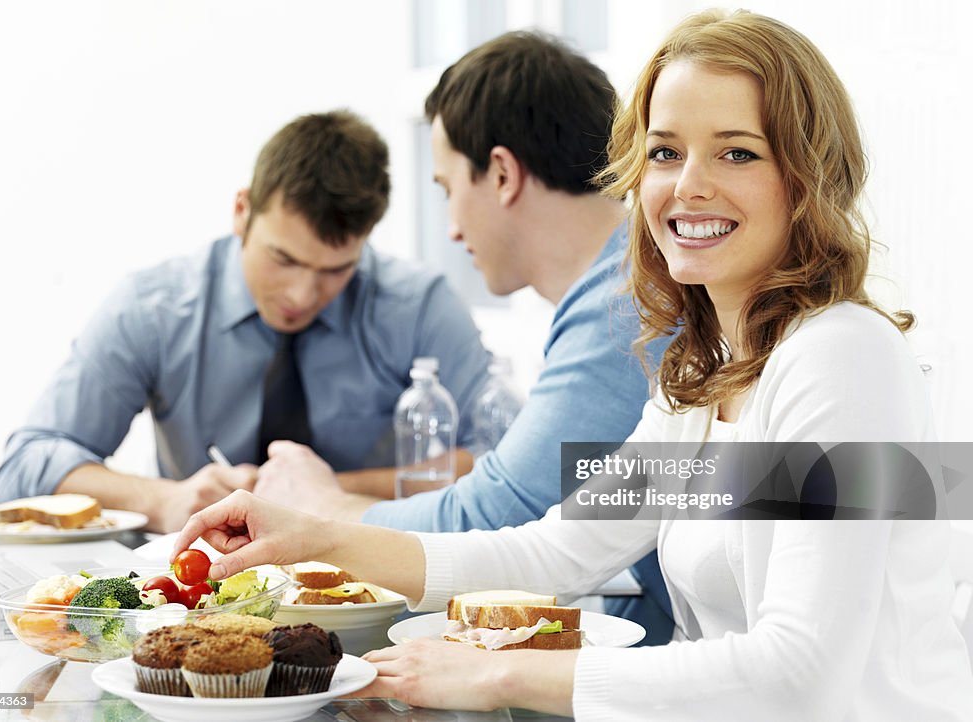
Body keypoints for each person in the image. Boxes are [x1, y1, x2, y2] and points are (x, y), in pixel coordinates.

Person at [171, 9, 973, 720]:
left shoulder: (842, 357)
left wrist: (499, 676)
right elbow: (549, 551)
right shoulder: (700, 377)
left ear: (807, 176)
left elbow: (801, 676)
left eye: (736, 153)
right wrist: (313, 538)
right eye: (665, 152)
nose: (687, 187)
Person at [249, 32, 673, 644]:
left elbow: (500, 516)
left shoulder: (625, 306)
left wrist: (324, 507)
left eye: (448, 189)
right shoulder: (620, 291)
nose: (450, 229)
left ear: (501, 174)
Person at [0, 110, 492, 533]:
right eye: (284, 258)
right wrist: (163, 500)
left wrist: (324, 491)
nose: (302, 295)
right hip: (194, 595)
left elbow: (497, 459)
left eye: (335, 270)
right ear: (241, 211)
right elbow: (24, 465)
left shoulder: (418, 306)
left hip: (376, 591)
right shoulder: (153, 308)